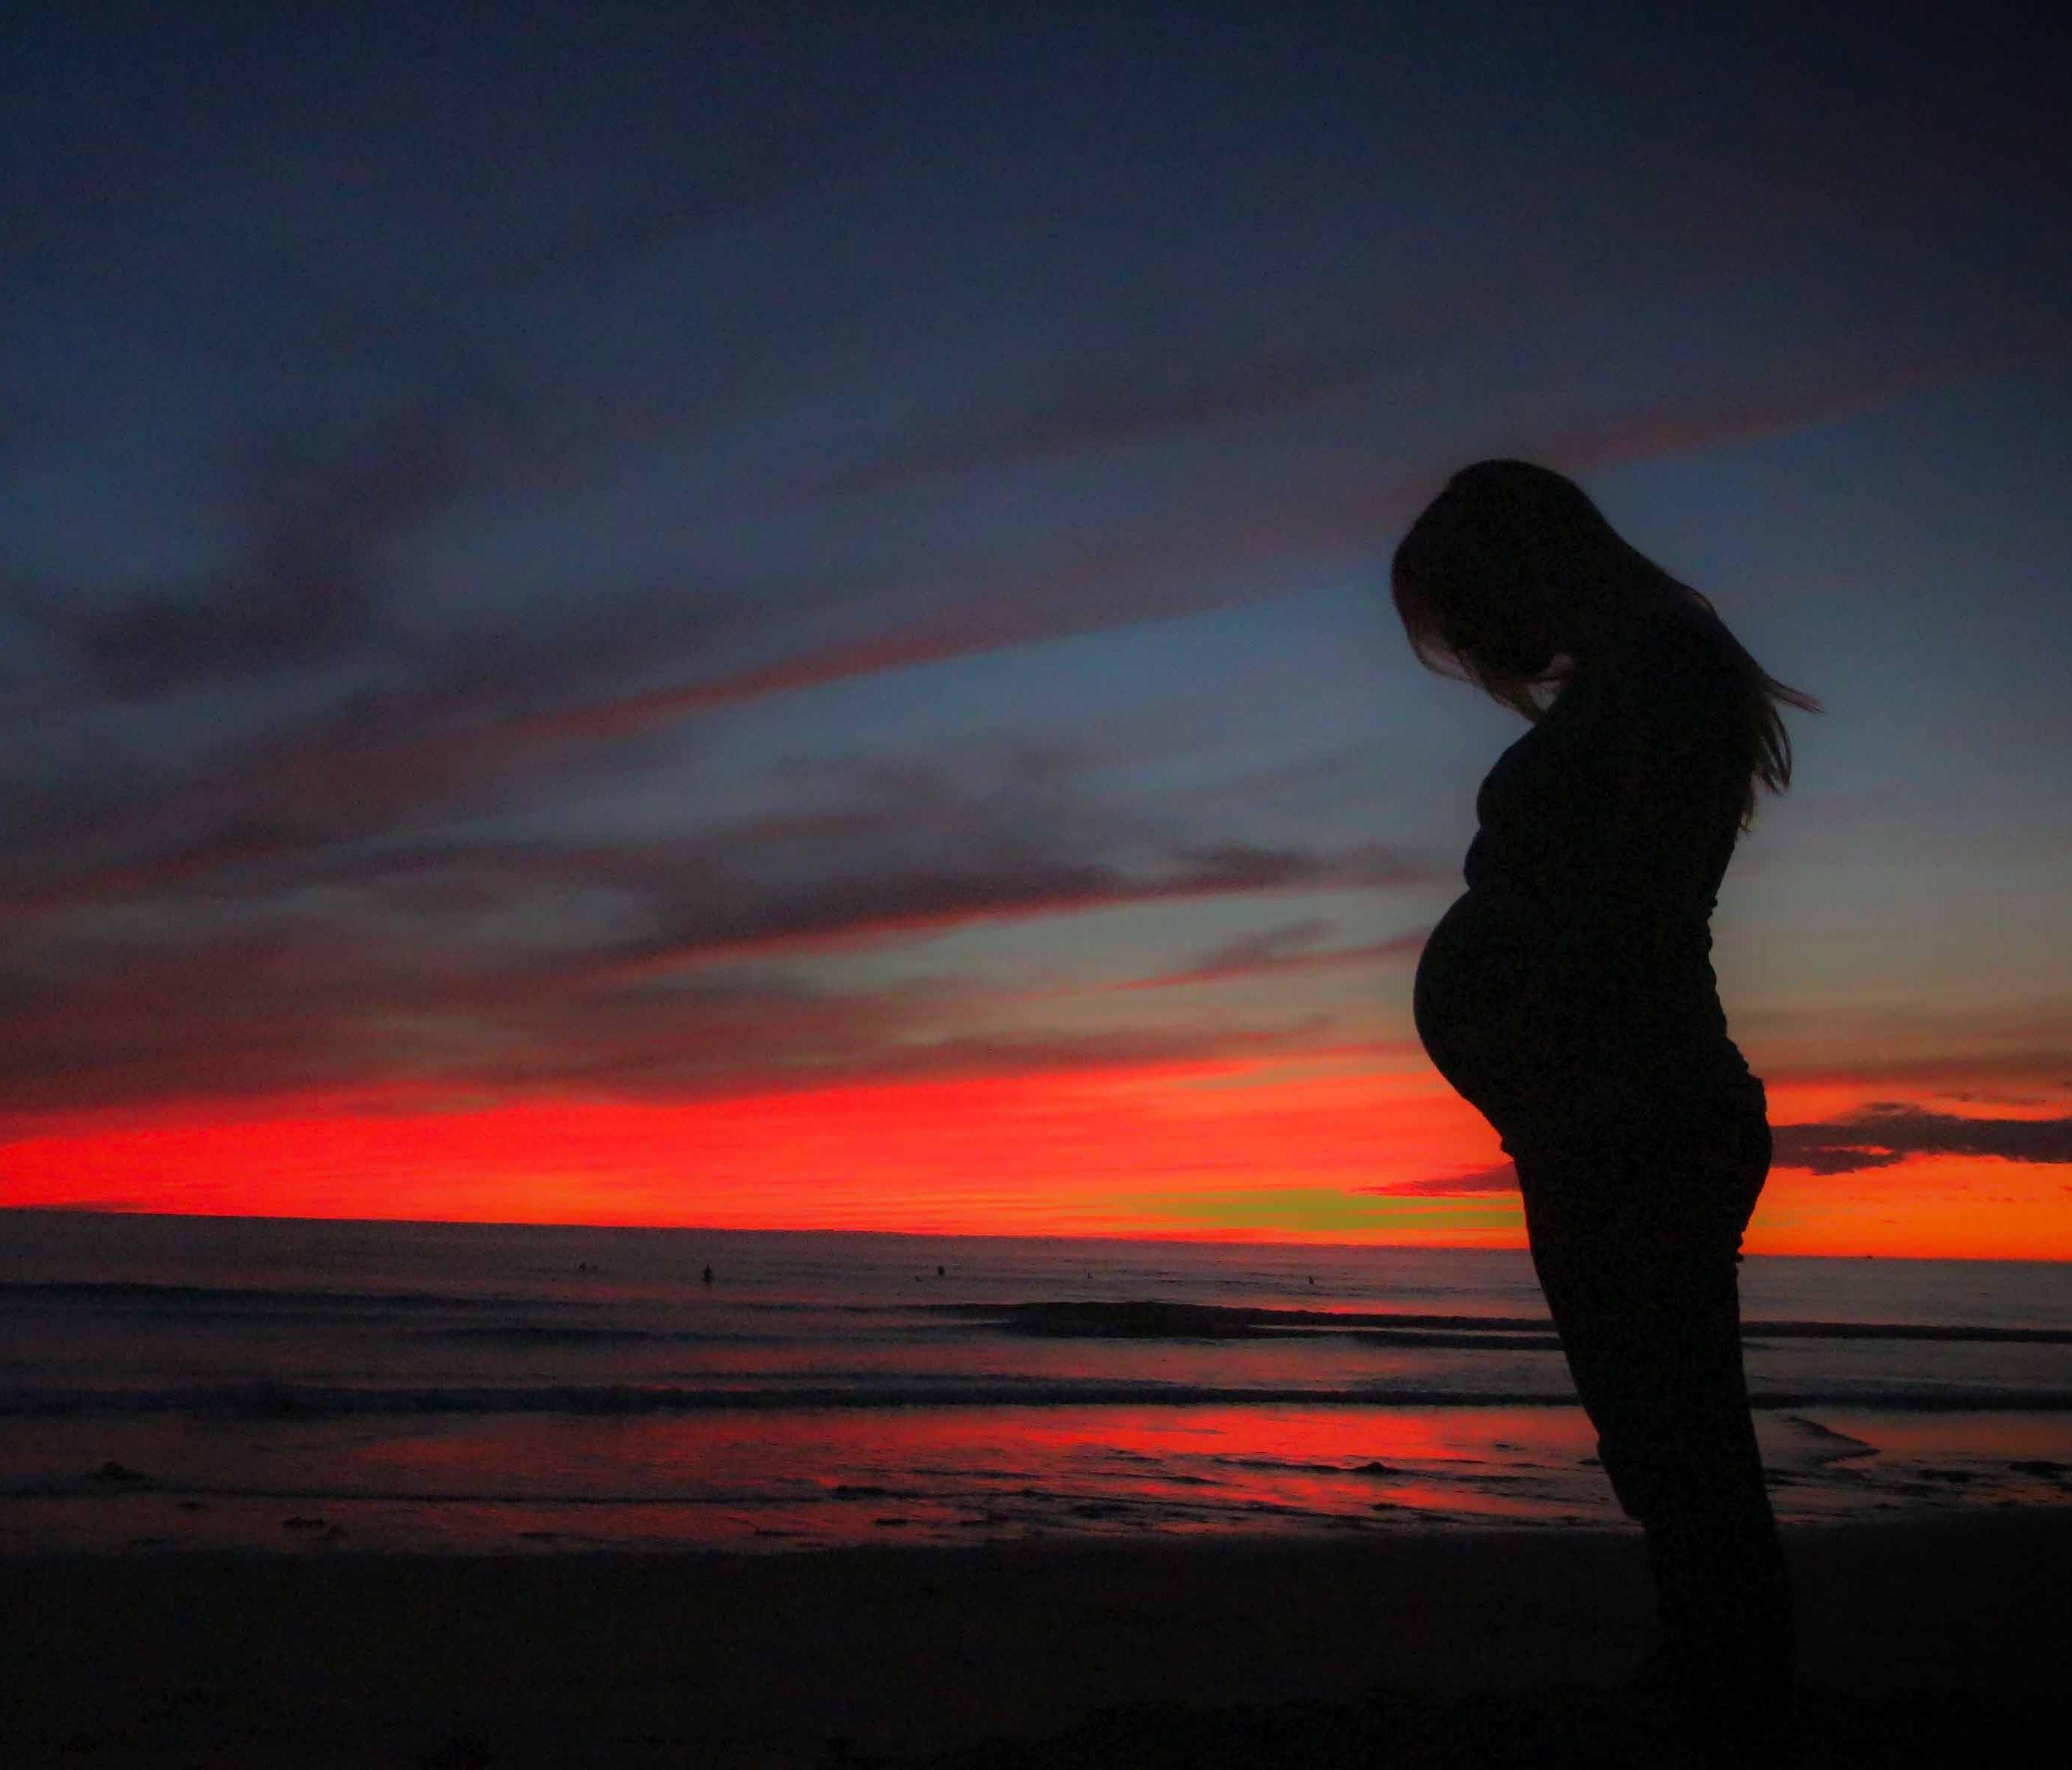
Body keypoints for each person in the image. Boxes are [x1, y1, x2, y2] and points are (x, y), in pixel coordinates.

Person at [1391, 460, 1819, 1706]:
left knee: (1672, 1429)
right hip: (1595, 1105)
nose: (1469, 643)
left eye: (1465, 606)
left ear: (1524, 561)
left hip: (1629, 1102)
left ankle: (1730, 1691)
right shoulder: (1635, 678)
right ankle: (1718, 1673)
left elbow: (1634, 906)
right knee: (1659, 1426)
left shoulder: (1665, 673)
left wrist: (1544, 1034)